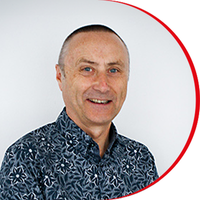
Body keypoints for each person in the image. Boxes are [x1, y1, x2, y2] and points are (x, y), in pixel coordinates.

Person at [0, 24, 159, 200]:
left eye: (113, 70)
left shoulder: (141, 159)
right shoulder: (26, 157)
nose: (102, 85)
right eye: (87, 69)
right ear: (60, 76)